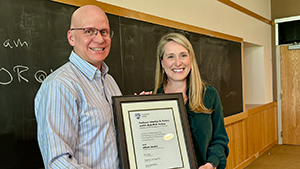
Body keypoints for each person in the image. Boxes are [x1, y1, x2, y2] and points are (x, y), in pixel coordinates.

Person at [34, 5, 121, 169]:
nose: (99, 39)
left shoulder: (110, 82)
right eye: (89, 31)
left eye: (104, 31)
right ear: (71, 37)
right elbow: (58, 162)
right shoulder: (60, 85)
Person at [144, 32, 229, 169]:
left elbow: (220, 140)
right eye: (170, 57)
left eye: (183, 55)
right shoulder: (152, 99)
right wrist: (141, 113)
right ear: (161, 62)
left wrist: (211, 163)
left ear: (191, 59)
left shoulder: (209, 95)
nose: (178, 63)